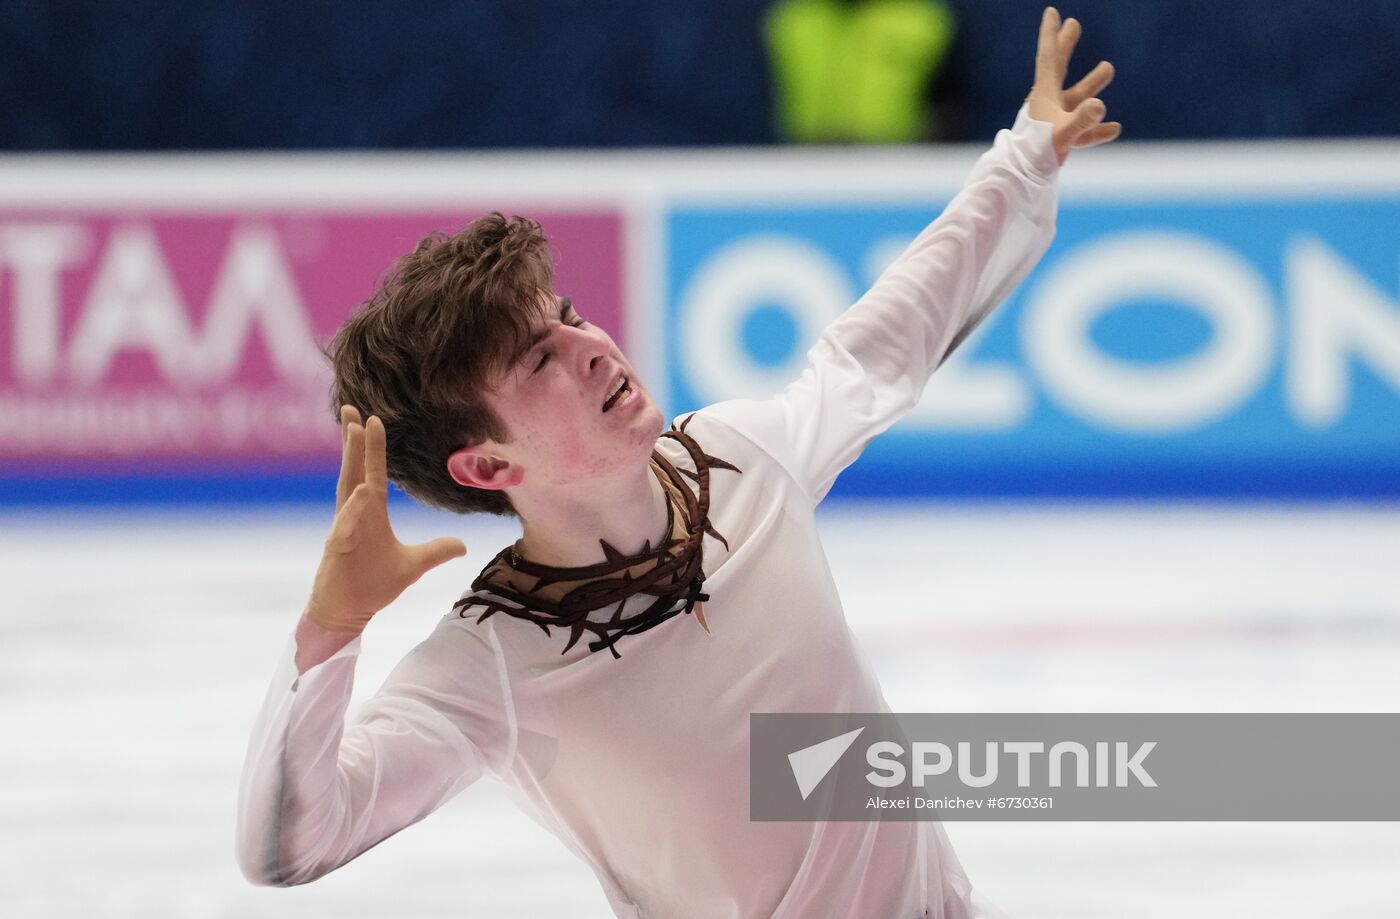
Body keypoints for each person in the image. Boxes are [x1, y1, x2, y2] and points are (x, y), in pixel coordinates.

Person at [235, 8, 1119, 917]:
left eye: (570, 315)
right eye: (538, 359)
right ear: (488, 467)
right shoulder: (490, 664)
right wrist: (330, 628)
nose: (590, 347)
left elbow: (880, 347)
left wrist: (1026, 156)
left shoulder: (737, 458)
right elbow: (291, 845)